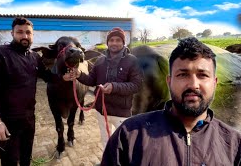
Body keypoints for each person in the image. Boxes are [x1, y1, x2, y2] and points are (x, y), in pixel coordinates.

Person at [101, 37, 241, 165]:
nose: (193, 84)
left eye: (202, 75)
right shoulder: (127, 135)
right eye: (182, 75)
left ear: (215, 82)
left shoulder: (235, 144)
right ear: (169, 81)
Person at [0, 17, 58, 166]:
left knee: (26, 157)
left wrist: (64, 76)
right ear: (12, 33)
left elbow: (48, 76)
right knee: (10, 161)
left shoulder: (34, 57)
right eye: (20, 32)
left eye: (28, 32)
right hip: (7, 121)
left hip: (29, 119)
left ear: (33, 35)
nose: (25, 36)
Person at [66, 27, 143, 149]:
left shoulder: (132, 61)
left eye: (118, 40)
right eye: (111, 40)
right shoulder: (100, 60)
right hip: (101, 111)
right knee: (106, 141)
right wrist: (79, 75)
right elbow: (91, 80)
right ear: (107, 42)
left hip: (121, 113)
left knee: (124, 145)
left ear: (123, 42)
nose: (114, 43)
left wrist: (114, 87)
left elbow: (136, 85)